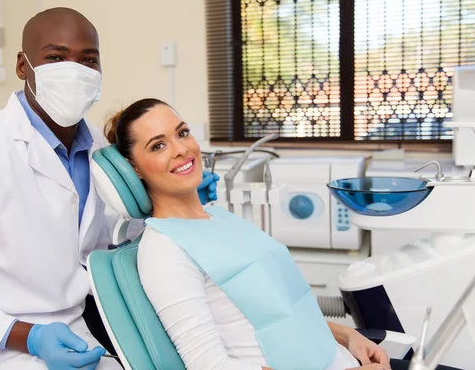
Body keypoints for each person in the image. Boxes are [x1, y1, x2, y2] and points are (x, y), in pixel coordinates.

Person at [0, 8, 218, 370]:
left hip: (83, 329)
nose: (74, 72)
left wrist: (170, 203)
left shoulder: (96, 149)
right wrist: (29, 336)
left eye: (88, 60)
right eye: (56, 58)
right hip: (1, 347)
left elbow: (106, 239)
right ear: (22, 66)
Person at [102, 98, 461, 370]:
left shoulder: (217, 217)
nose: (182, 149)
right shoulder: (164, 250)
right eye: (158, 145)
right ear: (134, 169)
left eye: (182, 133)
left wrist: (347, 336)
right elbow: (209, 366)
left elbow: (281, 310)